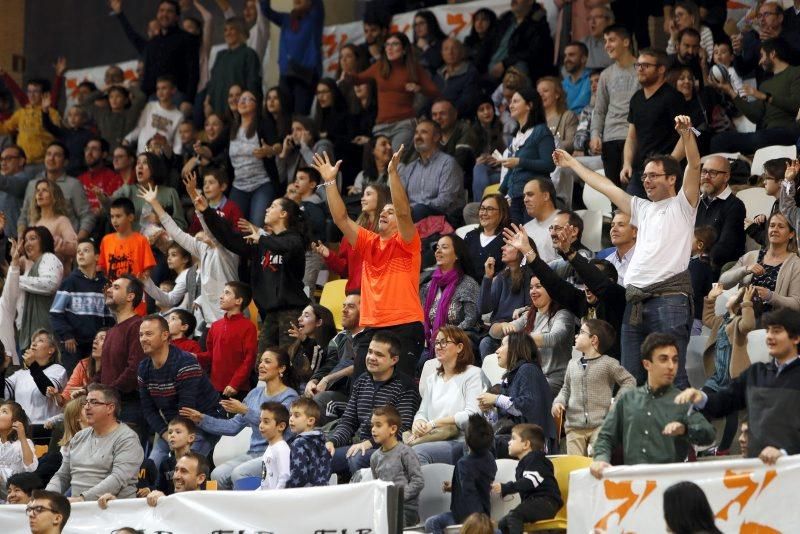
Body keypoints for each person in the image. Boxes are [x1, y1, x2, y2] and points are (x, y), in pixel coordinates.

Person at [553, 115, 701, 387]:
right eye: (644, 176)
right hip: (635, 303)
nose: (646, 181)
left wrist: (687, 135)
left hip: (669, 300)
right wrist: (572, 163)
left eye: (653, 176)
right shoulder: (642, 208)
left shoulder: (683, 205)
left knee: (673, 378)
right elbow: (606, 186)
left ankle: (683, 429)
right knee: (631, 379)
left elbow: (693, 164)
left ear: (671, 179)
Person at [313, 147, 424, 379]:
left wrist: (393, 174)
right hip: (371, 327)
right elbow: (340, 219)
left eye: (389, 212)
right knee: (362, 390)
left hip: (403, 325)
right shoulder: (368, 242)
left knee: (397, 391)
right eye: (383, 211)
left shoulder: (407, 242)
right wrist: (330, 183)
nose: (384, 213)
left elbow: (404, 214)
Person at [677, 308, 800, 462]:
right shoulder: (755, 373)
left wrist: (785, 453)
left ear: (795, 338)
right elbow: (725, 402)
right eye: (768, 331)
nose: (769, 336)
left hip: (792, 471)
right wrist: (700, 397)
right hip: (755, 469)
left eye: (776, 331)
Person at [590, 333, 715, 478]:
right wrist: (600, 459)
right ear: (646, 364)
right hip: (634, 486)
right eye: (663, 359)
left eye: (675, 360)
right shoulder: (628, 400)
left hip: (668, 486)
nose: (671, 366)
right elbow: (606, 437)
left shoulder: (681, 400)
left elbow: (709, 434)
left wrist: (686, 429)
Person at [183, 346, 298, 489]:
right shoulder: (254, 394)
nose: (261, 365)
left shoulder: (290, 396)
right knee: (217, 474)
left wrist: (245, 411)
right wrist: (201, 419)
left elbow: (279, 427)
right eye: (260, 361)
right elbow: (232, 427)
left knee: (239, 474)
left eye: (267, 362)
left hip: (276, 454)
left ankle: (247, 510)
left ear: (281, 368)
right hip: (253, 454)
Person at [206, 195, 309, 351]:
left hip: (291, 311)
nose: (267, 209)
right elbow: (229, 238)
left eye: (273, 206)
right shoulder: (261, 242)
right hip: (268, 313)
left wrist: (261, 238)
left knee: (289, 361)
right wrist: (206, 212)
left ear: (283, 214)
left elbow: (285, 245)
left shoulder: (295, 240)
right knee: (262, 363)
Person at [325, 332, 419, 476]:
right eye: (370, 352)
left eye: (379, 355)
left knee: (356, 458)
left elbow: (404, 430)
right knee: (322, 456)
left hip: (388, 449)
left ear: (394, 359)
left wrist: (370, 443)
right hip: (360, 444)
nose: (371, 358)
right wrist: (332, 442)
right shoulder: (362, 381)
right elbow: (348, 422)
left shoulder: (405, 386)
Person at [136, 314, 223, 468]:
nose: (143, 339)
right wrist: (167, 434)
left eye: (149, 334)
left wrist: (174, 435)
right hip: (173, 427)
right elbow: (148, 410)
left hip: (202, 424)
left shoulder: (184, 362)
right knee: (152, 467)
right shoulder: (143, 368)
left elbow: (187, 409)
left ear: (164, 335)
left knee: (186, 466)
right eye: (141, 334)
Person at [46, 384, 143, 501]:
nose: (87, 407)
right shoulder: (78, 437)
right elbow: (63, 475)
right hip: (79, 509)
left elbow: (118, 479)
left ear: (110, 408)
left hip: (113, 511)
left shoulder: (127, 439)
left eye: (94, 402)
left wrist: (82, 499)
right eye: (86, 402)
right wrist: (47, 496)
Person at [552, 320, 635, 456]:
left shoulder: (609, 363)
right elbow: (566, 389)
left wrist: (618, 401)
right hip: (574, 426)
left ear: (594, 339)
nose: (576, 336)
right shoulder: (572, 364)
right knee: (575, 465)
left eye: (581, 332)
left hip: (600, 425)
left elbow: (629, 381)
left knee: (597, 458)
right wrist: (559, 402)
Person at [488, 274, 576, 397]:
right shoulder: (529, 315)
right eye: (531, 287)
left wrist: (521, 339)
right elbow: (493, 332)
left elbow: (554, 338)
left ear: (552, 289)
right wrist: (503, 325)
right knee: (494, 392)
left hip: (553, 380)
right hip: (529, 376)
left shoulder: (563, 315)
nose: (533, 291)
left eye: (538, 286)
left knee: (512, 396)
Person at [709, 38, 800, 154]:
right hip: (766, 133)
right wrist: (730, 91)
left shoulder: (796, 72)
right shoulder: (765, 84)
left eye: (762, 56)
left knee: (761, 137)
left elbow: (796, 104)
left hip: (788, 131)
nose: (759, 62)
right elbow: (755, 116)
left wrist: (766, 97)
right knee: (718, 141)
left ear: (772, 54)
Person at [411, 327, 484, 465]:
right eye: (437, 343)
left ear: (459, 347)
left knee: (416, 453)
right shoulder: (432, 379)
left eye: (444, 342)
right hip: (431, 438)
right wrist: (418, 423)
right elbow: (422, 412)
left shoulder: (474, 374)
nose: (438, 346)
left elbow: (473, 415)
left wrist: (434, 424)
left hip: (461, 441)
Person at [479, 332, 557, 453]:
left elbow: (526, 407)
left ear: (516, 348)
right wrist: (489, 410)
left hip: (535, 441)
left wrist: (496, 399)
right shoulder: (512, 376)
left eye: (502, 345)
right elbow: (506, 420)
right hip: (516, 437)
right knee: (474, 443)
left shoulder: (528, 370)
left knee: (481, 445)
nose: (497, 351)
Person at [622, 49, 685, 198]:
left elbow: (687, 135)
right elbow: (631, 137)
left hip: (665, 174)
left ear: (661, 69)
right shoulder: (636, 98)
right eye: (638, 65)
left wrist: (669, 164)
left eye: (646, 65)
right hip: (641, 171)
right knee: (631, 215)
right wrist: (626, 163)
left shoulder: (673, 97)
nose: (640, 69)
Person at [110, 0, 199, 105]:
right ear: (157, 15)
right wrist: (120, 14)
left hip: (176, 97)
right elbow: (134, 38)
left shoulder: (187, 39)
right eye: (161, 11)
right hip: (152, 98)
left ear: (176, 17)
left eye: (169, 11)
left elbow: (194, 72)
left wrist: (189, 100)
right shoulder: (153, 43)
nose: (164, 14)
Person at [423, 414, 497, 534]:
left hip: (465, 518)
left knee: (432, 523)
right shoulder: (490, 459)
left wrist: (476, 522)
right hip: (483, 515)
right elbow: (478, 484)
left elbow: (469, 493)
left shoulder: (464, 463)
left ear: (467, 440)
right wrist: (454, 487)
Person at [49, 239, 113, 374]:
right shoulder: (69, 282)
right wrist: (67, 335)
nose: (81, 254)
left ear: (97, 256)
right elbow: (55, 313)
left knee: (95, 379)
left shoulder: (105, 284)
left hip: (96, 345)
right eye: (78, 251)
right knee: (74, 382)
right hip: (73, 344)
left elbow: (110, 318)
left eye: (86, 250)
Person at [315, 183, 389, 294]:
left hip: (379, 293)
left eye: (368, 194)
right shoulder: (351, 232)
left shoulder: (390, 231)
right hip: (354, 295)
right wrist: (329, 255)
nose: (363, 199)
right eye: (363, 195)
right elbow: (345, 270)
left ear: (382, 198)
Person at [719, 212, 800, 313]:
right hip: (742, 319)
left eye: (781, 227)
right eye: (772, 225)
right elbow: (722, 283)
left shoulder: (796, 264)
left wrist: (770, 296)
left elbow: (797, 304)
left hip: (772, 324)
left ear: (791, 234)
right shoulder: (751, 256)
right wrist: (745, 269)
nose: (775, 229)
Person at [590, 25, 639, 188]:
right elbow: (599, 110)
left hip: (634, 138)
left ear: (626, 42)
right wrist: (595, 134)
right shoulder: (606, 74)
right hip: (609, 140)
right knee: (614, 196)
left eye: (611, 40)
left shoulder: (642, 69)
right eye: (605, 41)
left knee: (633, 194)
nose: (607, 45)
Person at [497, 88, 556, 224]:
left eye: (516, 101)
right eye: (510, 102)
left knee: (531, 240)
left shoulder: (541, 131)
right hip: (515, 197)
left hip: (535, 197)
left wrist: (519, 161)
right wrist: (499, 194)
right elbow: (512, 170)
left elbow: (549, 164)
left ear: (529, 105)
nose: (510, 105)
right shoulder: (517, 136)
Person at [99, 275, 148, 433]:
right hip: (109, 404)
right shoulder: (112, 330)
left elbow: (135, 368)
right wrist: (88, 389)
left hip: (129, 407)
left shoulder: (137, 326)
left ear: (130, 296)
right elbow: (103, 370)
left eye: (116, 287)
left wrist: (108, 392)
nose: (109, 290)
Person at [492, 424, 561, 534]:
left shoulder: (537, 459)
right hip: (534, 503)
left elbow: (530, 481)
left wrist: (506, 487)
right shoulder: (524, 463)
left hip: (546, 503)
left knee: (514, 516)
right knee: (503, 523)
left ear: (526, 444)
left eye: (513, 438)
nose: (509, 442)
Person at [17, 142, 94, 240]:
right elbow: (24, 215)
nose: (51, 158)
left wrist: (77, 242)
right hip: (33, 246)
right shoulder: (32, 185)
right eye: (48, 154)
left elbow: (87, 216)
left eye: (57, 155)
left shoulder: (74, 185)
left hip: (64, 247)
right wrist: (21, 239)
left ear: (65, 162)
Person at [262, 0, 325, 114]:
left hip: (305, 74)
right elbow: (266, 10)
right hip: (286, 74)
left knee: (299, 117)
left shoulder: (314, 19)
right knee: (284, 116)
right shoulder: (286, 19)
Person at [226, 90, 276, 226]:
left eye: (249, 99)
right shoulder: (232, 127)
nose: (242, 101)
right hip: (238, 186)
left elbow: (278, 146)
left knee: (257, 224)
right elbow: (213, 148)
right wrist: (197, 155)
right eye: (241, 99)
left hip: (261, 184)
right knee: (232, 225)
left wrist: (269, 150)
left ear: (257, 105)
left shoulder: (263, 124)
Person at [420, 236, 480, 348]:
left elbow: (471, 319)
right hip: (433, 342)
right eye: (437, 248)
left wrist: (446, 336)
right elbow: (424, 319)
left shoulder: (468, 284)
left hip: (460, 340)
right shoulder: (428, 286)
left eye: (444, 247)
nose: (438, 251)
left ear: (457, 255)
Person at [370, 405, 424, 527]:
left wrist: (398, 498)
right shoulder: (374, 457)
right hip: (385, 508)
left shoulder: (405, 452)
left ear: (393, 429)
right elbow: (377, 486)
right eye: (372, 425)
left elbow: (418, 481)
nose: (373, 429)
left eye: (378, 425)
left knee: (392, 520)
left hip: (405, 509)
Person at [399, 120, 464, 222]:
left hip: (444, 217)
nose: (418, 136)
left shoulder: (448, 163)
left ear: (436, 137)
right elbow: (401, 198)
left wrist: (413, 208)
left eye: (423, 132)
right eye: (416, 133)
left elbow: (445, 200)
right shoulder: (410, 168)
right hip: (414, 215)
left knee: (419, 210)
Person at [4, 329, 67, 431]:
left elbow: (48, 391)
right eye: (33, 340)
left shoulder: (58, 369)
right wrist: (3, 368)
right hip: (21, 430)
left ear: (51, 350)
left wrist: (33, 365)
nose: (34, 343)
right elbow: (3, 392)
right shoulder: (21, 373)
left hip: (47, 430)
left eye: (40, 341)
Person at [100, 451, 211, 509]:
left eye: (184, 471)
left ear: (200, 479)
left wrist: (165, 503)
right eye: (176, 470)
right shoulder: (163, 500)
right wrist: (114, 505)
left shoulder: (209, 507)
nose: (176, 476)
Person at [15, 227, 64, 351]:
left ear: (44, 241)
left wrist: (16, 280)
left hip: (46, 336)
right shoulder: (34, 266)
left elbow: (50, 284)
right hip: (31, 335)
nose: (28, 243)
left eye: (33, 238)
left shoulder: (49, 258)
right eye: (26, 240)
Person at [695, 156, 746, 271]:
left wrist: (697, 257)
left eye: (713, 173)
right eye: (704, 172)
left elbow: (724, 248)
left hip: (715, 268)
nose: (706, 177)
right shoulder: (697, 201)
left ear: (726, 177)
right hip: (692, 263)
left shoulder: (735, 206)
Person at [205, 17, 261, 116]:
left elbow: (252, 83)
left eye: (232, 29)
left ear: (240, 31)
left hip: (238, 111)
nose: (228, 33)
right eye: (225, 30)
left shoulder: (249, 54)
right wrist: (207, 102)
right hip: (217, 109)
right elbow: (213, 81)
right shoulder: (220, 55)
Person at [488, 0, 555, 83]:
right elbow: (487, 43)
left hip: (512, 69)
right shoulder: (505, 19)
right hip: (491, 67)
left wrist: (505, 63)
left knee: (519, 66)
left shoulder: (538, 24)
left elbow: (533, 52)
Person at [98, 197, 157, 288]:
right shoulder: (106, 240)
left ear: (130, 217)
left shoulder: (141, 240)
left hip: (135, 296)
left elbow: (147, 271)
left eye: (118, 216)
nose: (114, 220)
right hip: (114, 295)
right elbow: (102, 269)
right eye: (112, 216)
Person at [0, 79, 60, 166]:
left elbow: (57, 134)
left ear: (44, 94)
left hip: (42, 163)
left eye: (35, 92)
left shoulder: (52, 113)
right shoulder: (21, 113)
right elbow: (5, 128)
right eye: (29, 91)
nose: (31, 95)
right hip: (21, 162)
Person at [124, 76, 184, 156]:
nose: (160, 92)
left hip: (161, 158)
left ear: (173, 90)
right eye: (158, 88)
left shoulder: (179, 116)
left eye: (164, 88)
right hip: (142, 154)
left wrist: (175, 160)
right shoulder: (150, 106)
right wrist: (128, 139)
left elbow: (177, 142)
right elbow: (140, 127)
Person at [27, 180, 77, 268]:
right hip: (34, 276)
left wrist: (60, 245)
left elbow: (75, 247)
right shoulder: (33, 223)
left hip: (57, 277)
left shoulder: (62, 221)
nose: (39, 193)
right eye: (38, 190)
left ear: (54, 197)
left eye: (45, 190)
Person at [430, 99, 480, 183]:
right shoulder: (431, 133)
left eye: (442, 114)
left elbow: (458, 163)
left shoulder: (464, 130)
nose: (438, 118)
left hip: (462, 182)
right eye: (434, 115)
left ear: (454, 114)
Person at [286, 397, 331, 487]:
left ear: (310, 421)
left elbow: (299, 474)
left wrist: (287, 488)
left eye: (296, 415)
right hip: (323, 490)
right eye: (290, 415)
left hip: (304, 494)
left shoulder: (298, 443)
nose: (291, 419)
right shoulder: (322, 439)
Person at [287, 304, 337, 383]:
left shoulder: (329, 348)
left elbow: (318, 365)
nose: (299, 319)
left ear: (319, 322)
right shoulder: (297, 345)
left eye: (306, 316)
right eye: (301, 315)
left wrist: (305, 340)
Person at [434, 39, 480, 119]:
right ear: (442, 53)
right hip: (436, 116)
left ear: (462, 52)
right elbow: (430, 97)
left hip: (457, 118)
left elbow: (466, 102)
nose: (450, 52)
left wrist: (445, 112)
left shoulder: (470, 73)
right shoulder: (438, 74)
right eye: (446, 49)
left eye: (454, 48)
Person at [0, 401, 37, 501]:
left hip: (18, 495)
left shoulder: (23, 442)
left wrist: (22, 437)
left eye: (4, 411)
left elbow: (31, 467)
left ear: (15, 421)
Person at [464, 194, 509, 276]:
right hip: (468, 287)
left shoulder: (507, 240)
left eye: (489, 209)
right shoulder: (470, 236)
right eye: (482, 208)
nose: (484, 213)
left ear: (502, 213)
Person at [745, 158, 784, 246]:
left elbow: (772, 241)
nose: (764, 182)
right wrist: (764, 223)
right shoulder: (779, 203)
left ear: (781, 183)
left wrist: (752, 228)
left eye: (767, 178)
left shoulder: (785, 208)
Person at [78, 137, 122, 215]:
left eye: (94, 149)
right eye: (87, 149)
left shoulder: (114, 178)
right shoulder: (80, 179)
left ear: (104, 154)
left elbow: (113, 205)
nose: (89, 153)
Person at [538, 76, 579, 158]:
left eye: (545, 91)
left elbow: (572, 142)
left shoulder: (568, 116)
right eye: (538, 93)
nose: (541, 95)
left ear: (557, 94)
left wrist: (548, 147)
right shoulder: (535, 120)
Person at [255, 401, 291, 490]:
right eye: (261, 421)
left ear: (281, 426)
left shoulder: (282, 449)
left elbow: (285, 478)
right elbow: (265, 481)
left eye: (266, 422)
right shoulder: (270, 448)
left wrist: (273, 499)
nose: (261, 425)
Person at [597, 210, 637, 284]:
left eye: (621, 225)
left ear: (634, 232)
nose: (614, 229)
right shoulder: (608, 260)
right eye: (612, 225)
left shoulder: (646, 259)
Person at [0, 145, 29, 238]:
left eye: (8, 158)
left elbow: (7, 183)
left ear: (21, 161)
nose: (3, 163)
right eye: (1, 159)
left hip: (20, 239)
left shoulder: (25, 179)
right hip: (4, 239)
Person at [561, 42, 591, 115]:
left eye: (571, 55)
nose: (566, 59)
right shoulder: (562, 84)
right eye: (565, 56)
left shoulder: (593, 79)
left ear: (583, 59)